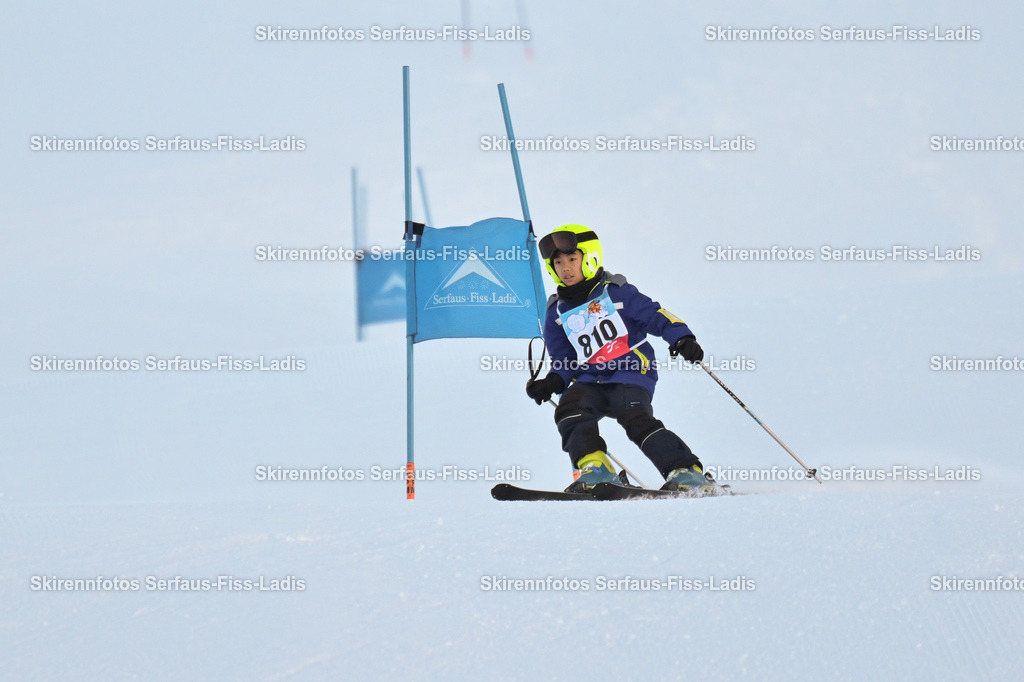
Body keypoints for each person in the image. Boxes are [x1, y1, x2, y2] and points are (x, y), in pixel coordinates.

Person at [526, 224, 710, 493]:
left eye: (572, 259)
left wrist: (682, 338)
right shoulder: (557, 311)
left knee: (634, 416)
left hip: (630, 371)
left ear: (589, 258)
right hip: (590, 379)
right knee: (569, 409)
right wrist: (551, 382)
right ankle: (596, 469)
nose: (565, 268)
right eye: (558, 262)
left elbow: (655, 315)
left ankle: (686, 471)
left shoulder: (616, 292)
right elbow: (564, 359)